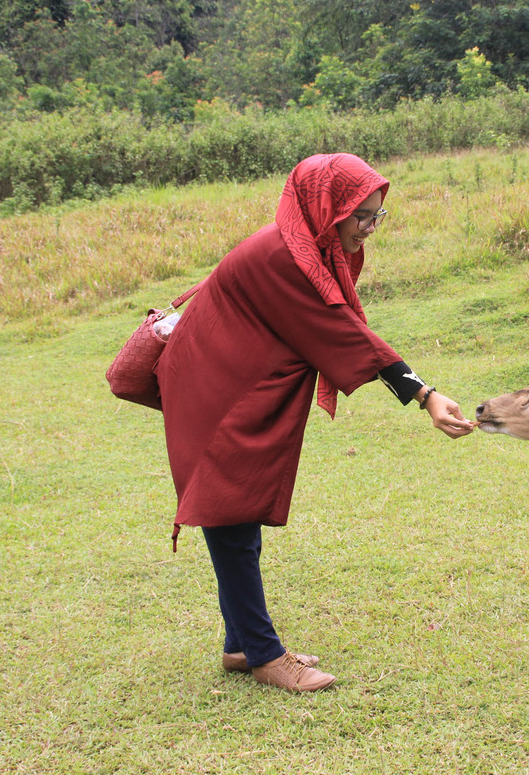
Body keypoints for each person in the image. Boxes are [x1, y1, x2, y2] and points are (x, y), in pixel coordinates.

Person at [155, 153, 475, 693]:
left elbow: (340, 324)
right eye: (362, 216)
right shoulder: (282, 256)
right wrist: (424, 394)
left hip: (233, 382)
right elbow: (340, 331)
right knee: (230, 518)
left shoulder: (311, 247)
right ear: (328, 210)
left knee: (239, 519)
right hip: (214, 393)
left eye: (378, 215)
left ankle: (239, 644)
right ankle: (263, 655)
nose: (371, 228)